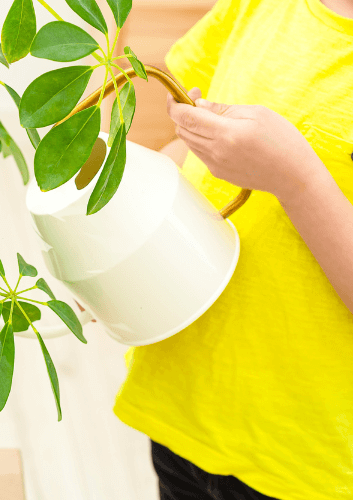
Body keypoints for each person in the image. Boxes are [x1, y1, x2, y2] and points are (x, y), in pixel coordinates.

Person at [112, 0, 353, 498]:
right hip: (187, 409)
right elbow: (193, 148)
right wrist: (125, 239)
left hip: (306, 461)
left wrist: (298, 181)